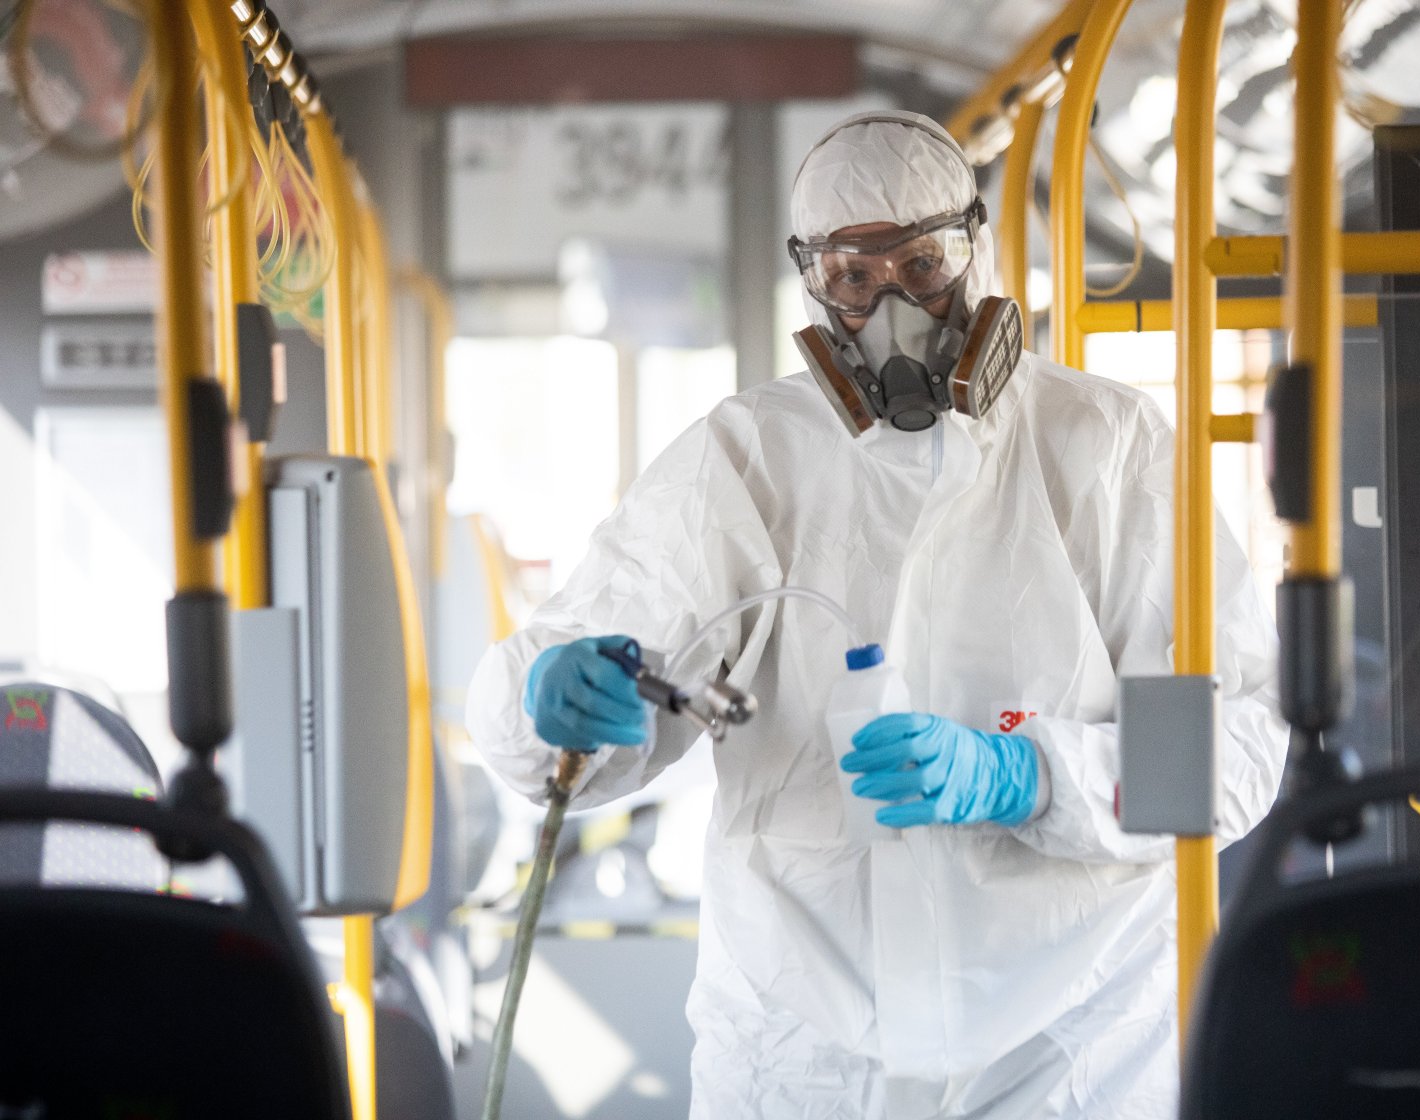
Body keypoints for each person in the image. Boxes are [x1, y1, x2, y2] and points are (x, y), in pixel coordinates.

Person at [466, 109, 1287, 1119]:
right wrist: (552, 697)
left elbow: (1238, 743)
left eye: (924, 264)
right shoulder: (748, 458)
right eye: (856, 278)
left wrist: (1032, 774)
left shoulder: (1108, 448)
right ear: (812, 279)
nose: (895, 305)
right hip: (801, 1054)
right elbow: (582, 681)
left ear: (974, 249)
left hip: (1072, 1052)